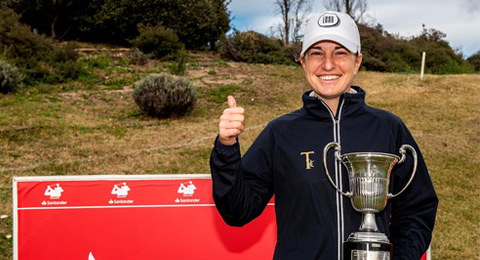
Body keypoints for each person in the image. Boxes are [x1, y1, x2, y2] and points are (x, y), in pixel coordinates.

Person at [210, 11, 438, 260]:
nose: (328, 64)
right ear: (303, 61)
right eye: (316, 52)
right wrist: (226, 146)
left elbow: (417, 208)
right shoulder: (279, 133)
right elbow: (237, 211)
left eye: (340, 52)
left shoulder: (389, 128)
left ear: (357, 61)